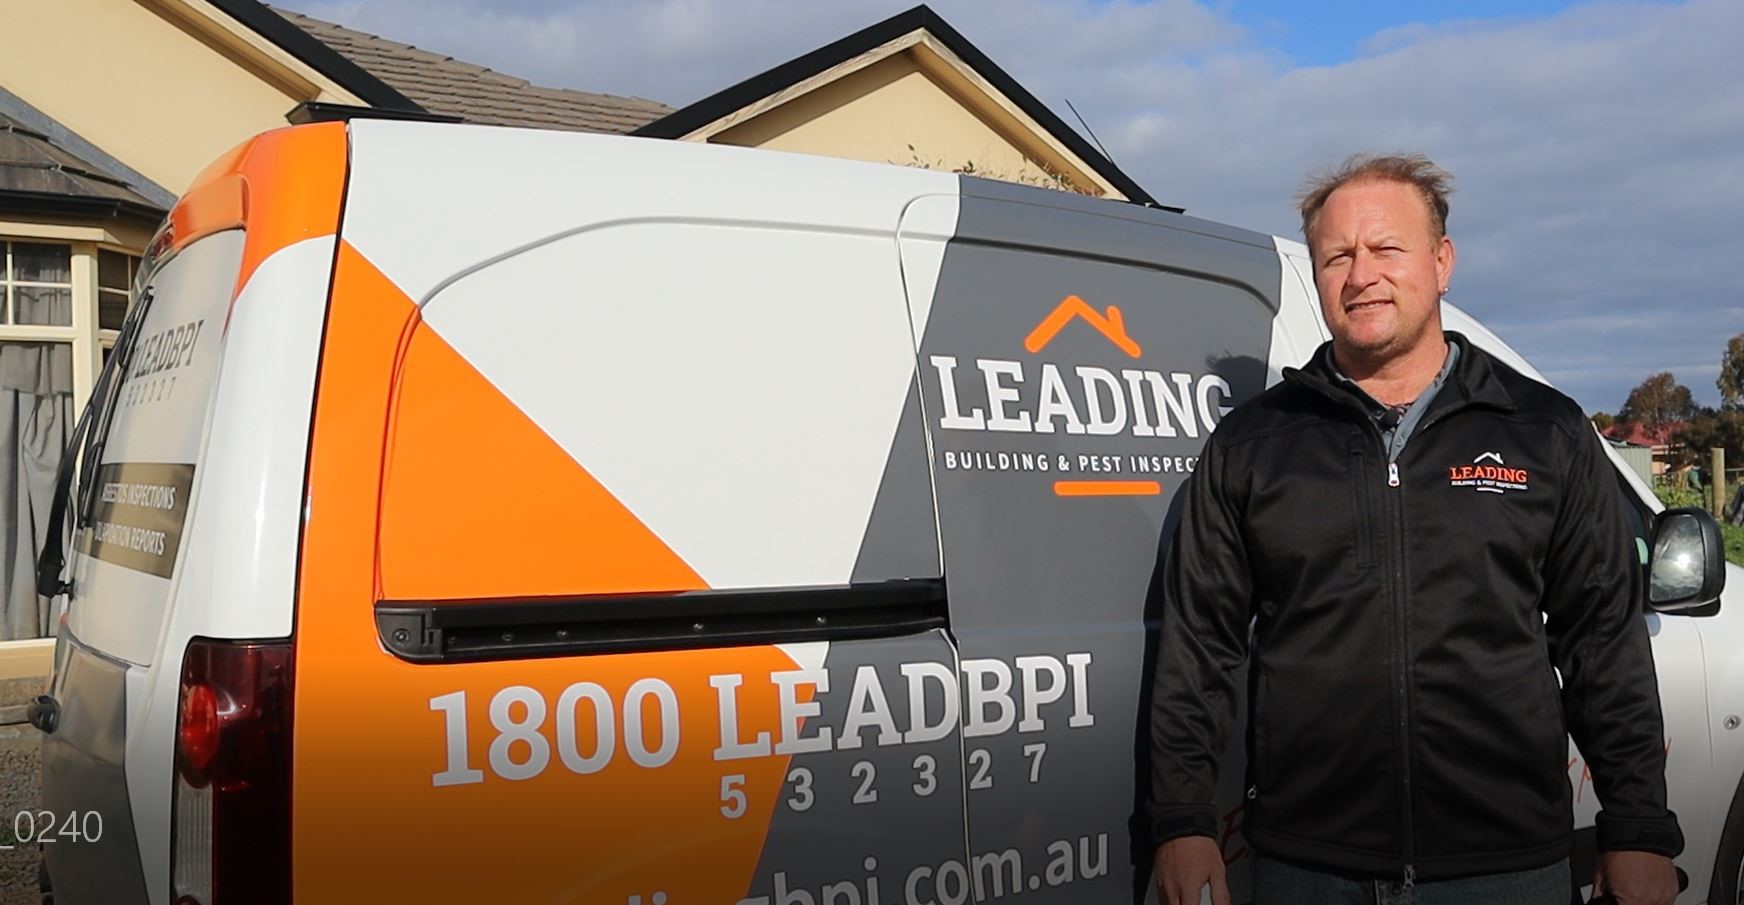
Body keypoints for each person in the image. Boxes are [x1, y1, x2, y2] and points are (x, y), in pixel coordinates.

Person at [1146, 153, 1684, 905]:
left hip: (1505, 868)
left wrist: (1638, 828)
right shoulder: (1254, 445)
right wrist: (1181, 819)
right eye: (1337, 256)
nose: (1361, 274)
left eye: (1386, 248)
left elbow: (1603, 643)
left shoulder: (1543, 432)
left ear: (1441, 262)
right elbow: (1198, 644)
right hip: (1309, 867)